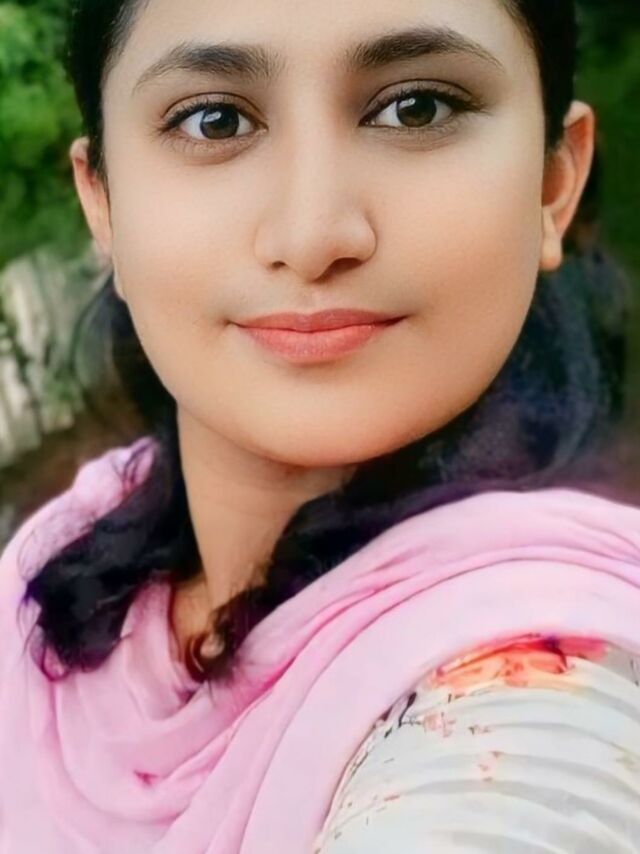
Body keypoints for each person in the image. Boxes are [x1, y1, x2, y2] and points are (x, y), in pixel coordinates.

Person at [1, 0, 639, 850]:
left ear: (553, 185)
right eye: (215, 120)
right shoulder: (53, 566)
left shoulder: (546, 685)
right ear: (103, 204)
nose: (312, 236)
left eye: (417, 107)